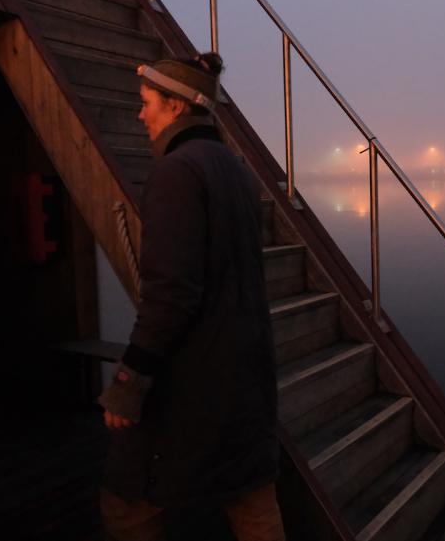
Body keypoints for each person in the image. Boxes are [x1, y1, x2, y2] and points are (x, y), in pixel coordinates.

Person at [97, 53, 284, 541]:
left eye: (147, 103)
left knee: (127, 501)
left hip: (193, 375)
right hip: (244, 371)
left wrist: (130, 379)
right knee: (250, 495)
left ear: (177, 107)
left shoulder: (177, 172)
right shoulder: (238, 173)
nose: (141, 115)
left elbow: (172, 293)